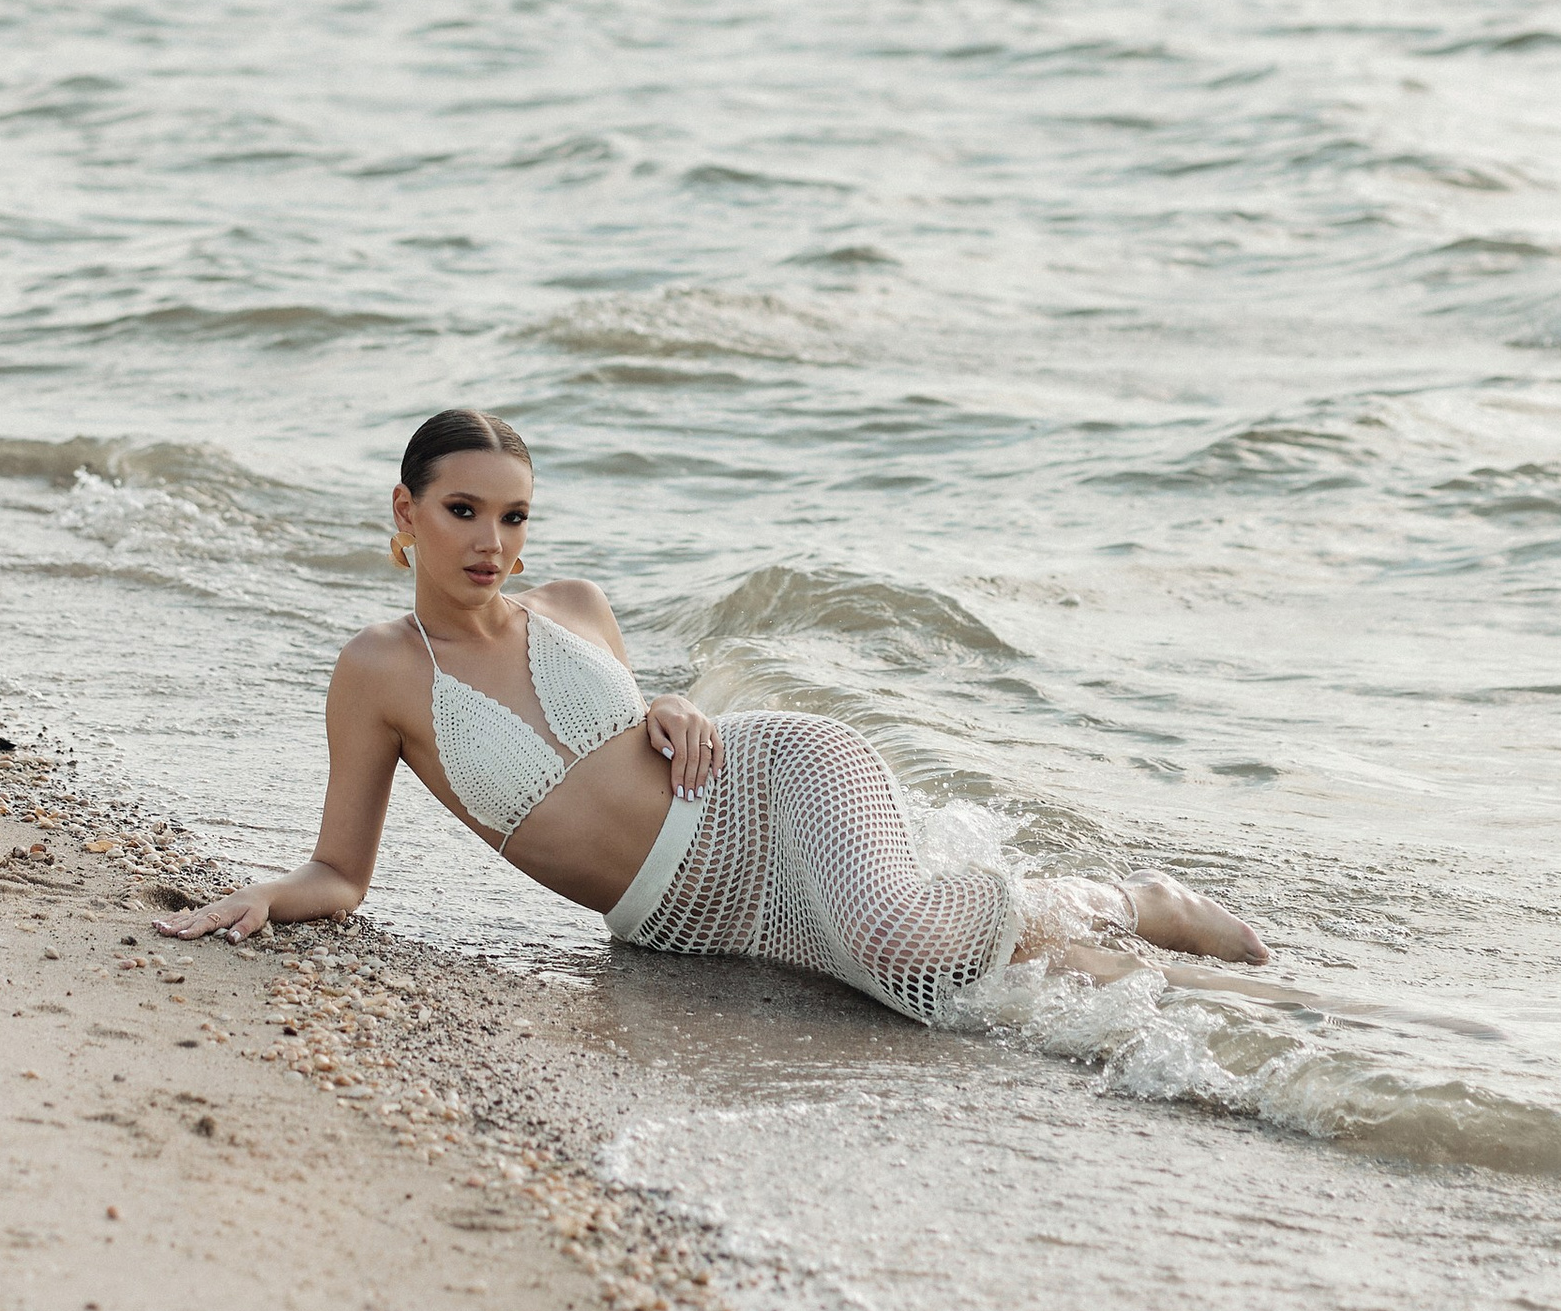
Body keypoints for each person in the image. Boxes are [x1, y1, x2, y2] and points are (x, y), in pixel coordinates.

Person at [153, 406, 1268, 1024]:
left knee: (903, 948)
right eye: (461, 512)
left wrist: (680, 702)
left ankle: (1133, 897)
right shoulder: (380, 672)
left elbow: (655, 731)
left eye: (512, 515)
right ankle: (1133, 984)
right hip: (688, 922)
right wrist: (263, 897)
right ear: (404, 512)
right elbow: (341, 876)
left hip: (777, 782)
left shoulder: (576, 605)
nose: (490, 542)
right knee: (925, 996)